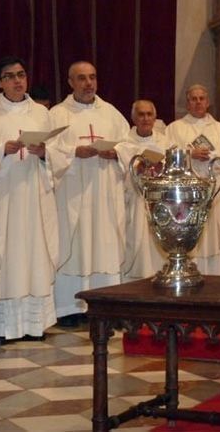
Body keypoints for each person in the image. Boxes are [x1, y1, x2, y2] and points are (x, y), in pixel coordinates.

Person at [49, 61, 130, 325]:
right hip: (73, 195)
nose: (89, 84)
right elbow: (48, 151)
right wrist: (74, 152)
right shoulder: (58, 115)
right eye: (82, 78)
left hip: (105, 194)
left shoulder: (111, 113)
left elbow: (130, 145)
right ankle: (69, 308)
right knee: (74, 245)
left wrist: (116, 153)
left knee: (104, 244)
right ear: (70, 83)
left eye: (93, 77)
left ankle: (106, 306)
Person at [0, 57, 58, 345]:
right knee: (3, 252)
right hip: (3, 195)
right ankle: (0, 326)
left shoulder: (41, 114)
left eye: (21, 75)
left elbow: (58, 152)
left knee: (33, 254)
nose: (18, 81)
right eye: (10, 76)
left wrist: (44, 153)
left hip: (34, 196)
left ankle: (33, 324)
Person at [166, 84, 220, 275]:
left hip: (215, 191)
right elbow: (168, 157)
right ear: (187, 103)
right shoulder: (175, 128)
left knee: (216, 236)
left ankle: (218, 278)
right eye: (193, 99)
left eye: (202, 98)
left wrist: (212, 155)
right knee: (192, 236)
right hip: (188, 195)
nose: (198, 102)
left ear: (208, 103)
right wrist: (189, 154)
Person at [114, 100, 170, 280]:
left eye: (149, 114)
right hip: (134, 201)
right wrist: (137, 169)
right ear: (133, 118)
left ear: (155, 117)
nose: (145, 118)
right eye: (141, 114)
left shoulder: (166, 142)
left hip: (161, 203)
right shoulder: (123, 143)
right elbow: (118, 173)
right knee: (136, 244)